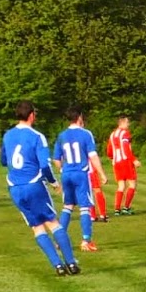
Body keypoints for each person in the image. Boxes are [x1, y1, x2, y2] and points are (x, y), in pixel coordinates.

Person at [2, 101, 78, 276]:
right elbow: (45, 165)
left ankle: (57, 266)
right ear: (31, 115)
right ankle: (71, 263)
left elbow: (4, 160)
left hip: (14, 187)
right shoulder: (37, 136)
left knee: (37, 227)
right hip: (33, 184)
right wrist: (53, 182)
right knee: (53, 222)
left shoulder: (7, 135)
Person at [53, 108, 105, 253]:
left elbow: (56, 160)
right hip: (81, 174)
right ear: (79, 117)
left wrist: (63, 170)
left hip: (66, 174)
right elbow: (93, 156)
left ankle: (59, 241)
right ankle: (86, 241)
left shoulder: (61, 135)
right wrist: (101, 173)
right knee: (84, 207)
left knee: (67, 206)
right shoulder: (85, 134)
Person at [109, 115, 140, 215]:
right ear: (121, 123)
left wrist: (112, 158)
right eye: (127, 122)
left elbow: (109, 151)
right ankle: (126, 208)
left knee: (121, 185)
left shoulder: (112, 134)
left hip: (116, 162)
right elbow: (126, 148)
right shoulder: (125, 134)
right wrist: (134, 160)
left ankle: (117, 209)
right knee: (132, 184)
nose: (128, 124)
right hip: (126, 161)